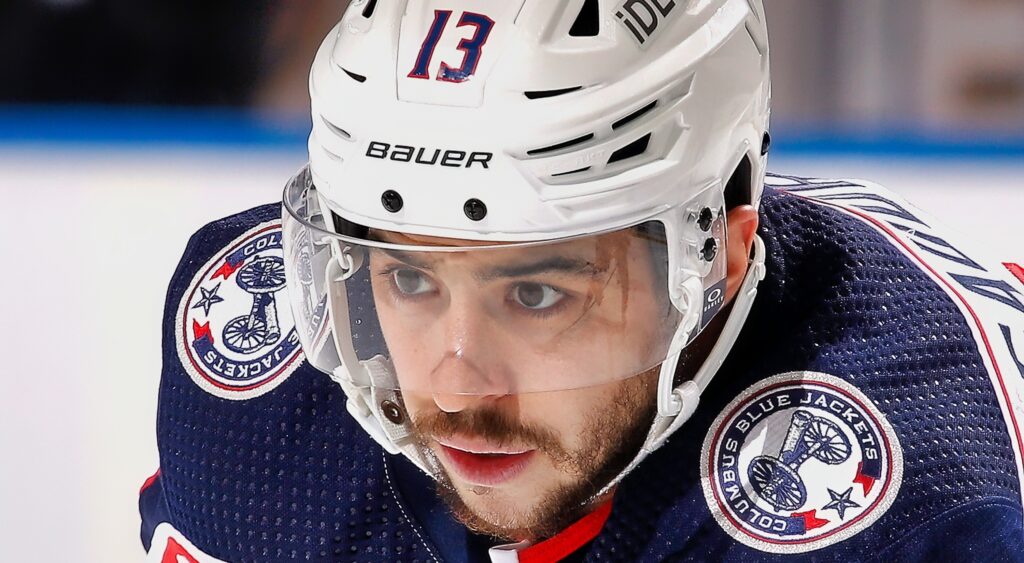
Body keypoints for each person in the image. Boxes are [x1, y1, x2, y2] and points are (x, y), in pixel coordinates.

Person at [139, 1, 1024, 561]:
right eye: (408, 278)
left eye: (535, 294)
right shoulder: (262, 382)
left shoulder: (918, 507)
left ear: (722, 252)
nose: (453, 383)